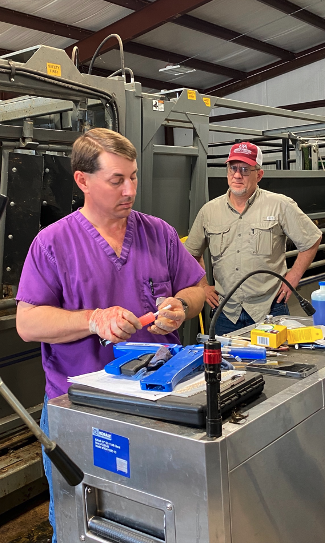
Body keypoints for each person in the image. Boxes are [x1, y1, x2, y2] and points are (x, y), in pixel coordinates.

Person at [15, 128, 205, 542]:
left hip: (156, 399)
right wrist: (92, 320)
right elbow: (28, 323)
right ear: (83, 180)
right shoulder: (52, 244)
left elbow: (198, 289)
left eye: (133, 177)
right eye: (117, 180)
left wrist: (181, 306)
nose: (130, 189)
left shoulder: (158, 232)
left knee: (159, 512)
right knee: (79, 517)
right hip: (80, 408)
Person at [185, 141, 322, 335]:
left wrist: (293, 276)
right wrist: (203, 286)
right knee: (226, 364)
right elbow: (191, 253)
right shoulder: (209, 211)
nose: (237, 175)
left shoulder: (279, 205)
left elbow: (311, 239)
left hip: (270, 307)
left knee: (275, 363)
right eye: (233, 168)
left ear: (259, 174)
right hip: (225, 313)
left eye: (245, 169)